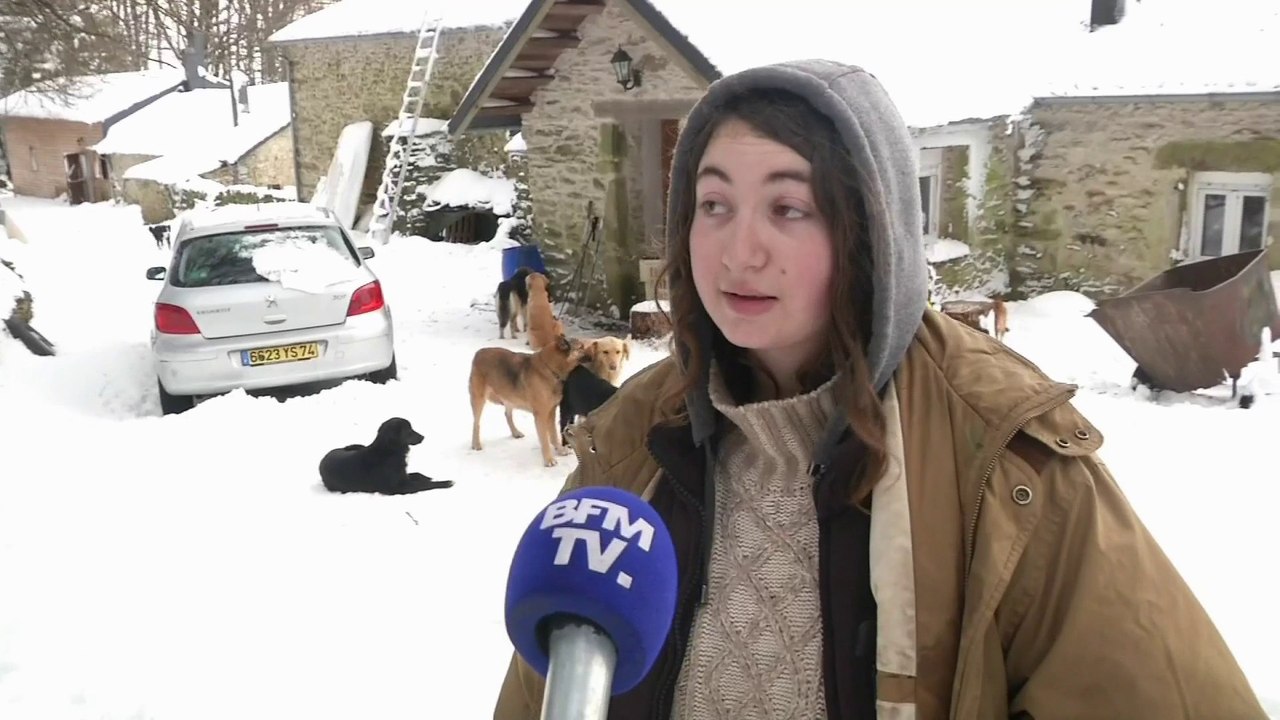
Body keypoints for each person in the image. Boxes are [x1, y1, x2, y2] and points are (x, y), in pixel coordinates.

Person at [493, 59, 1265, 720]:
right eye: (714, 204)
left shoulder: (1002, 454)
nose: (738, 251)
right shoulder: (631, 438)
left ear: (870, 233)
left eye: (789, 208)